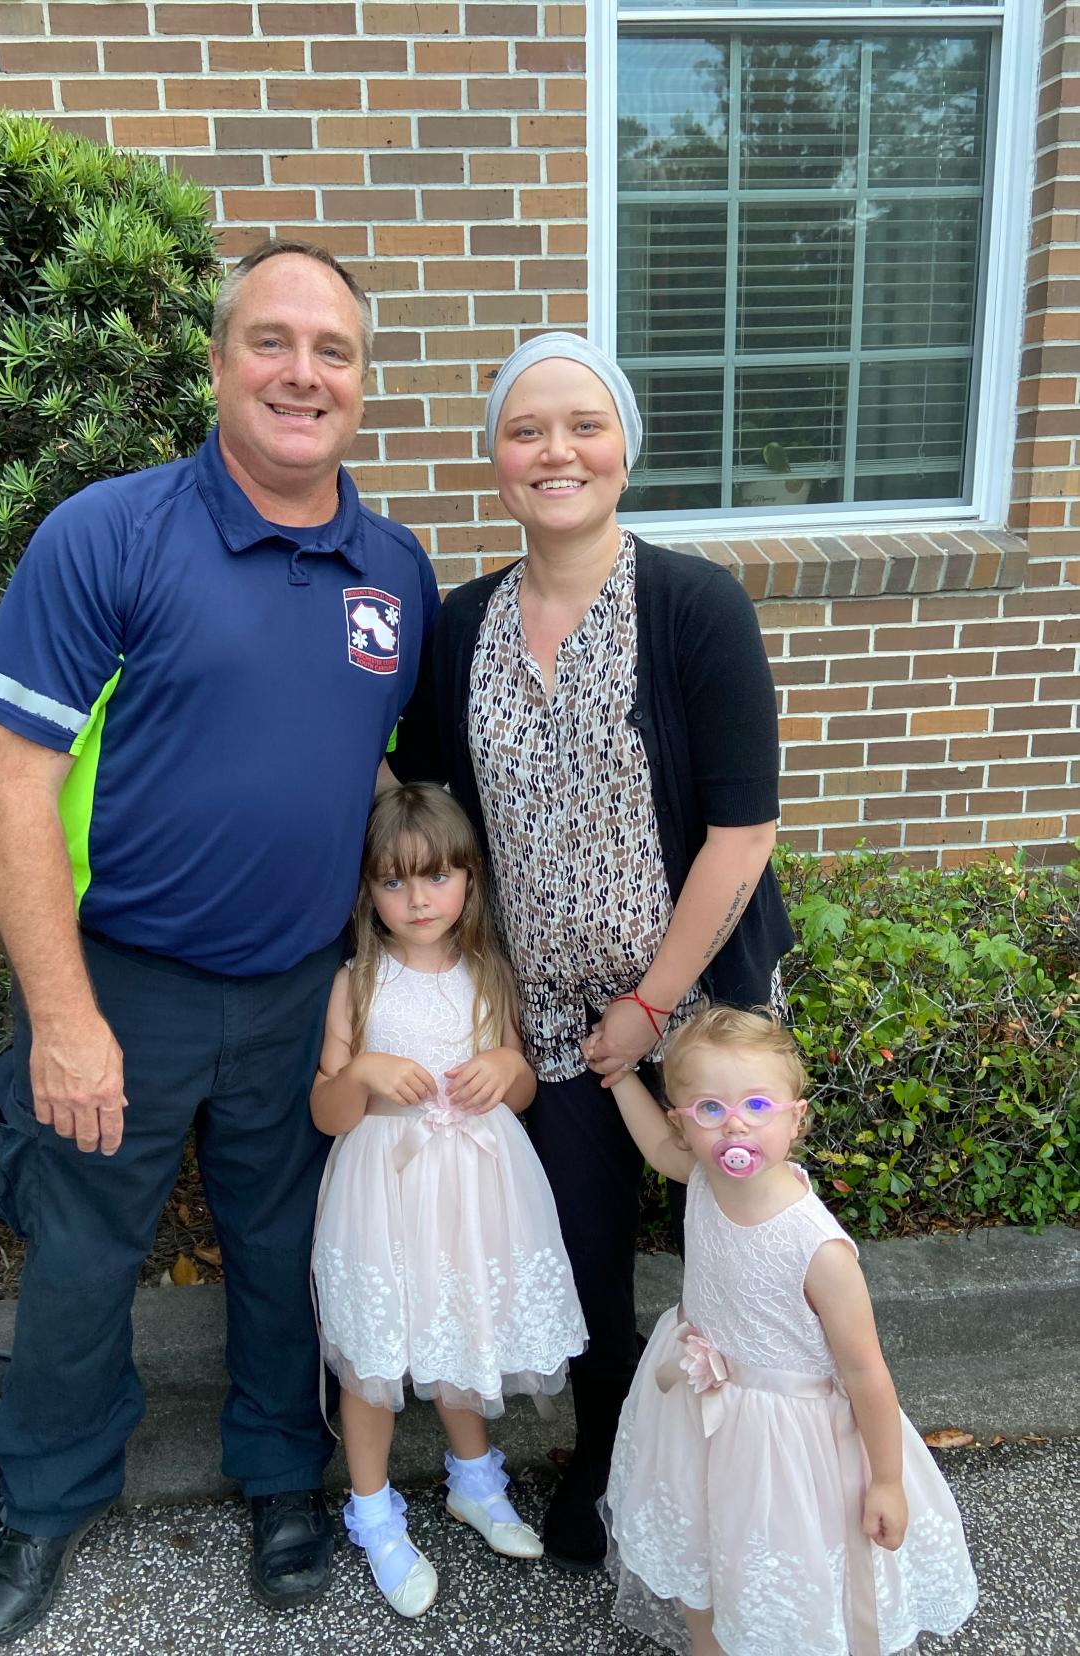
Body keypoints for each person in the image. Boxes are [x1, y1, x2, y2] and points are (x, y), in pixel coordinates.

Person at [0, 240, 439, 1643]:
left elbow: (383, 784)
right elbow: (12, 780)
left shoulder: (393, 571)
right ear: (218, 365)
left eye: (332, 351)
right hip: (126, 987)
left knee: (287, 1243)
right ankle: (43, 1502)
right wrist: (61, 1012)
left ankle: (282, 1478)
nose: (303, 373)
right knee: (81, 1250)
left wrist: (375, 984)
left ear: (362, 381)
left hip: (296, 989)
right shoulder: (108, 535)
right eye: (271, 342)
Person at [389, 332, 795, 1568]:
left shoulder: (693, 607)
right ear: (495, 461)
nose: (554, 451)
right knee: (583, 1253)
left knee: (736, 1237)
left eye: (583, 425)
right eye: (526, 430)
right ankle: (613, 1466)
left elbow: (742, 830)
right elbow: (434, 821)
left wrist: (651, 1007)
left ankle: (761, 1481)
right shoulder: (459, 629)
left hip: (701, 1006)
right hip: (544, 1015)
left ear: (624, 447)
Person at [602, 1006, 978, 1656]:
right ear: (683, 1123)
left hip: (784, 1442)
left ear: (795, 1118)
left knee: (772, 1562)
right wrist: (621, 1078)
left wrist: (885, 1480)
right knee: (700, 1541)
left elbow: (866, 1372)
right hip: (695, 1402)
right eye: (710, 1110)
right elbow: (657, 1150)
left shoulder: (817, 1250)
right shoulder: (701, 1175)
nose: (736, 1124)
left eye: (755, 1104)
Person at [310, 783, 587, 1617]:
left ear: (468, 880)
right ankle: (372, 1512)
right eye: (395, 882)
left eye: (436, 877)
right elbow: (326, 1111)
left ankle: (474, 1480)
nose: (418, 898)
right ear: (369, 892)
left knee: (464, 1325)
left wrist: (508, 1072)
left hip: (474, 1193)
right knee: (375, 1353)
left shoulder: (487, 973)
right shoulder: (356, 985)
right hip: (384, 1194)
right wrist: (359, 1074)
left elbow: (523, 1081)